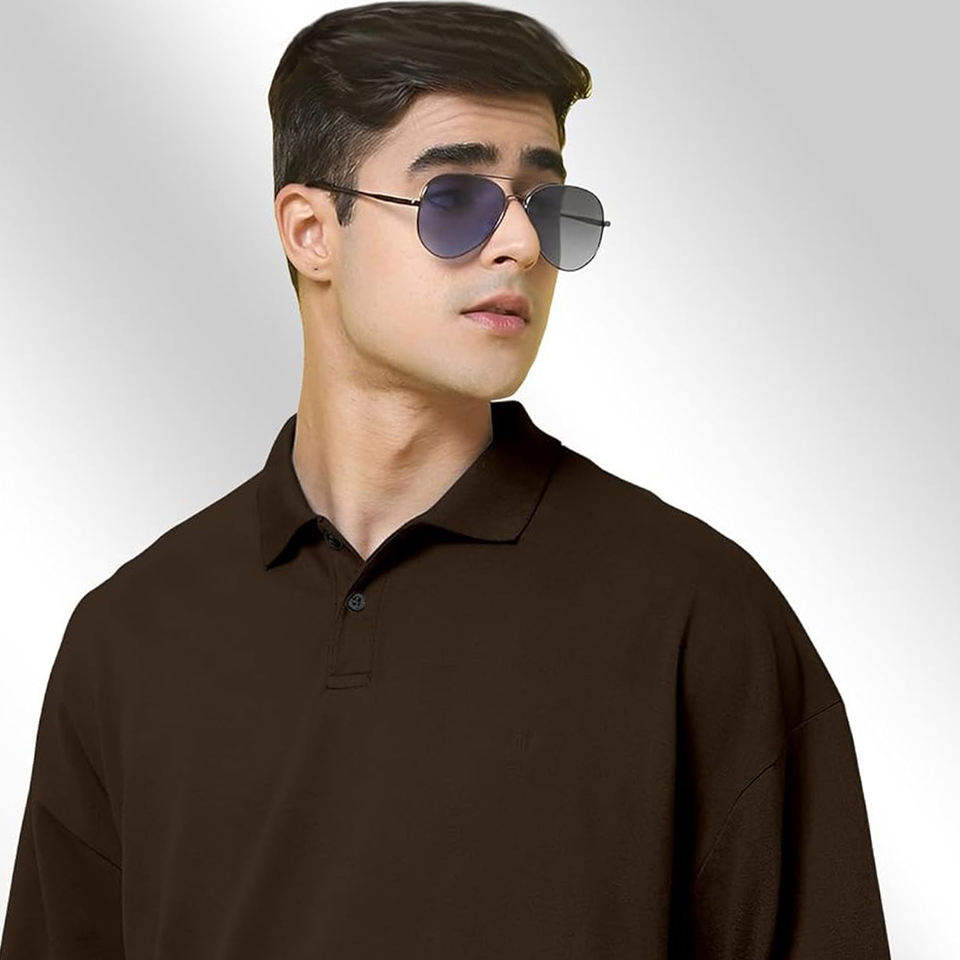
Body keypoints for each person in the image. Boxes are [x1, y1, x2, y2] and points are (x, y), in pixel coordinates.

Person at [0, 3, 891, 957]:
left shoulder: (698, 617)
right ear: (311, 231)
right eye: (455, 199)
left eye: (544, 203)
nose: (521, 246)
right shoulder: (130, 636)